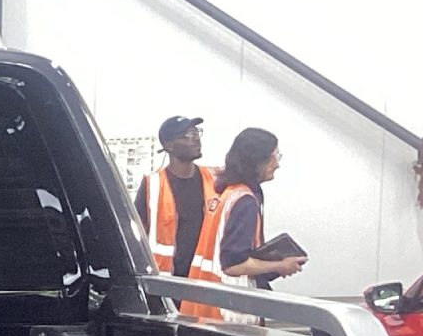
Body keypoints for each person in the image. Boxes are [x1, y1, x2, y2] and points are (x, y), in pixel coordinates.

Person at [213, 127, 308, 289]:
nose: (277, 165)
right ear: (257, 161)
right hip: (231, 298)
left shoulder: (228, 192)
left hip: (212, 292)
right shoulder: (245, 201)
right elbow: (233, 265)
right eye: (274, 157)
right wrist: (280, 266)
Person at [131, 115, 218, 280]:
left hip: (204, 279)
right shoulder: (153, 184)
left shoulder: (212, 178)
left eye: (196, 132)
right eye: (188, 135)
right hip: (168, 280)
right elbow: (136, 235)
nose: (196, 139)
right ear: (169, 146)